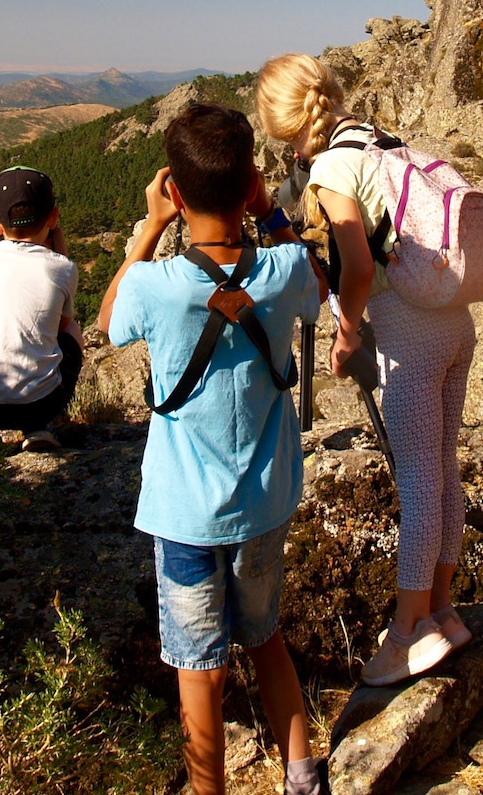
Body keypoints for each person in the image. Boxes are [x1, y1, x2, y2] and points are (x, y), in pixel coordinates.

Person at [96, 102, 328, 795]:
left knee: (199, 667)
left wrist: (152, 226)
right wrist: (271, 212)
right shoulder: (285, 270)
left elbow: (107, 323)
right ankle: (303, 775)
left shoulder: (155, 286)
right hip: (266, 502)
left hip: (186, 516)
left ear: (175, 190)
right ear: (250, 180)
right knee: (265, 638)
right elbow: (323, 284)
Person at [255, 54, 477, 687]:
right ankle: (442, 610)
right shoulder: (378, 139)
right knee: (441, 470)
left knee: (417, 480)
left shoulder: (329, 165)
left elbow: (354, 265)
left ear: (278, 120)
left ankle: (408, 633)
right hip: (454, 318)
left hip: (408, 331)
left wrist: (348, 330)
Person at [0, 166, 83, 454]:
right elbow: (60, 327)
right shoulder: (63, 268)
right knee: (72, 330)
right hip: (38, 404)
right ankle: (38, 429)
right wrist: (60, 252)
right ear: (54, 217)